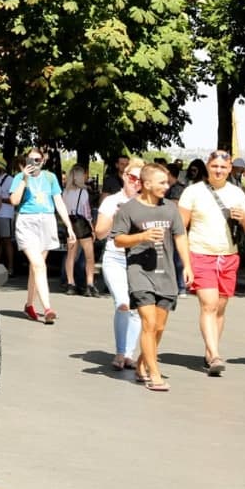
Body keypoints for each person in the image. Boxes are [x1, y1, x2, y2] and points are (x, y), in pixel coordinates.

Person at [110, 162, 193, 391]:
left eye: (167, 182)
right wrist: (143, 236)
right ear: (146, 184)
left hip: (165, 273)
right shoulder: (129, 209)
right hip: (139, 272)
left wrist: (187, 266)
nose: (167, 186)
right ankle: (154, 374)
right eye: (162, 182)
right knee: (149, 322)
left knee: (158, 327)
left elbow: (180, 238)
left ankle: (141, 363)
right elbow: (118, 239)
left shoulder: (170, 209)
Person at [178, 150, 245, 376]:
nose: (219, 171)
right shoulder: (192, 192)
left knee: (220, 309)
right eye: (215, 167)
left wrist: (244, 218)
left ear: (230, 168)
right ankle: (214, 355)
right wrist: (185, 262)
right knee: (209, 305)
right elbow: (180, 228)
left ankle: (209, 350)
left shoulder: (237, 194)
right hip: (200, 254)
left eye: (223, 167)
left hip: (228, 256)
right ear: (207, 166)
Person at [10, 147, 77, 323]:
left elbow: (58, 202)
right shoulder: (19, 177)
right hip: (27, 221)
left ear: (43, 161)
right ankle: (48, 308)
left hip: (47, 221)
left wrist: (69, 226)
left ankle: (29, 304)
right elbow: (14, 201)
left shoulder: (50, 177)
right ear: (25, 161)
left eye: (37, 160)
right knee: (39, 265)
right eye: (30, 160)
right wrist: (24, 178)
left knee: (36, 266)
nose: (34, 163)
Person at [97, 158, 144, 370]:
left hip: (139, 259)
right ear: (125, 176)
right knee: (123, 303)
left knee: (136, 308)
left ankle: (128, 354)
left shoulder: (146, 203)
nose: (136, 183)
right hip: (115, 257)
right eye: (133, 177)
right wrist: (115, 218)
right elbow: (98, 233)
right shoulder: (111, 201)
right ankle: (119, 352)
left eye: (141, 180)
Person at [61, 165, 97, 296]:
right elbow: (87, 212)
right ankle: (90, 284)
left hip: (69, 223)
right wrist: (92, 228)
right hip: (81, 223)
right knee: (89, 256)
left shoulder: (66, 192)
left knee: (71, 255)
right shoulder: (84, 192)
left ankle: (71, 284)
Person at [0, 160, 17, 277]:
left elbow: (14, 200)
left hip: (5, 215)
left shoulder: (11, 180)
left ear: (1, 167)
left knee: (7, 241)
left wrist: (0, 200)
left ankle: (11, 268)